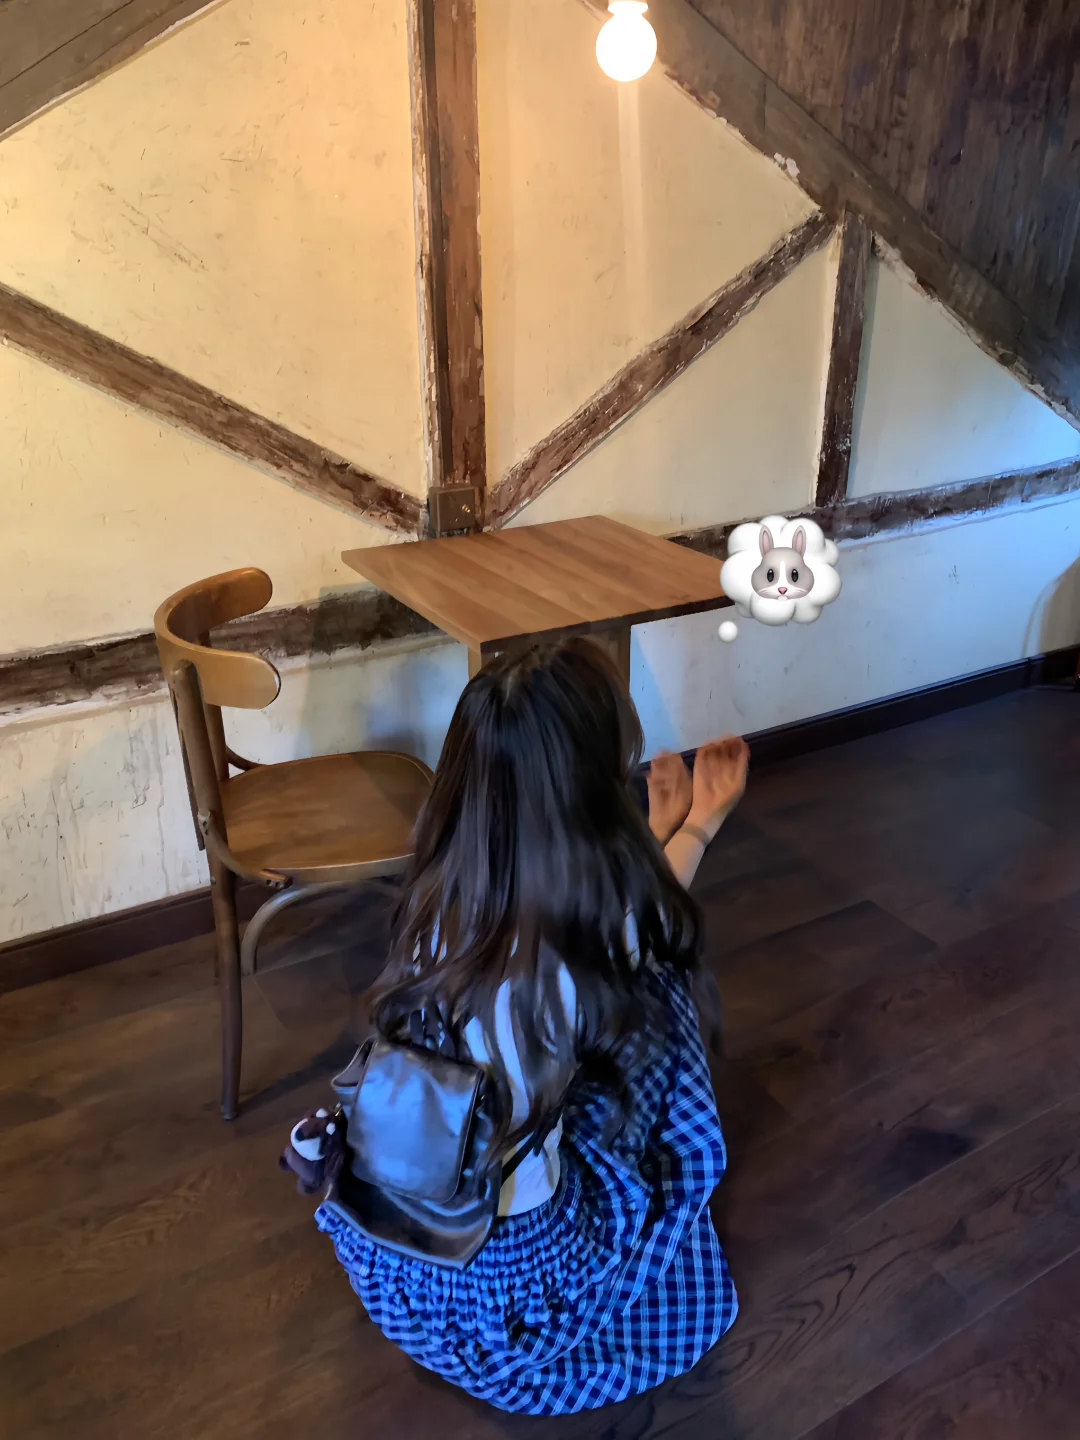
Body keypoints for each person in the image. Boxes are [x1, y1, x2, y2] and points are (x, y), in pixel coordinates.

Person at [315, 638, 749, 1415]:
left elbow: (603, 919)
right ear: (590, 799)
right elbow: (641, 930)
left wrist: (659, 829)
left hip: (403, 1235)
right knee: (662, 997)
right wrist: (699, 823)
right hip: (510, 1272)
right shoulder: (593, 938)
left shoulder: (438, 894)